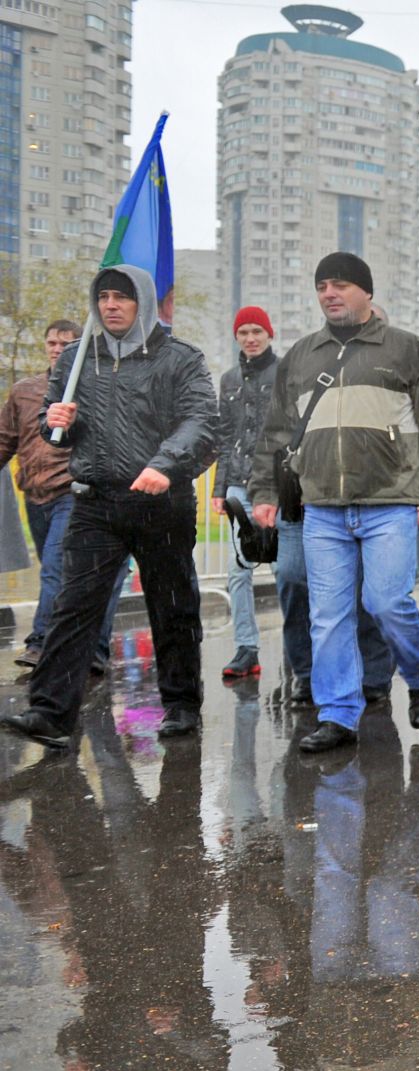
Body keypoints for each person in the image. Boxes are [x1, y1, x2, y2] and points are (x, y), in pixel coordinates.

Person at [249, 252, 419, 754]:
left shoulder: (406, 350)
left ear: (366, 292)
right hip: (322, 506)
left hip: (389, 500)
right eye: (323, 284)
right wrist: (263, 492)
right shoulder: (302, 356)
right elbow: (275, 434)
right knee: (327, 615)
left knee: (386, 602)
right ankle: (338, 714)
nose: (330, 293)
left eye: (342, 284)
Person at [2, 265, 217, 749]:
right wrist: (55, 421)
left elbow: (203, 420)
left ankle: (181, 705)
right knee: (72, 607)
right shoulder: (78, 358)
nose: (111, 305)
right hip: (95, 501)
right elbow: (55, 426)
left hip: (160, 500)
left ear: (141, 301)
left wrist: (165, 464)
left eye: (122, 297)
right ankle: (51, 713)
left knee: (172, 606)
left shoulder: (178, 358)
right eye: (103, 297)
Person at [0, 319, 122, 675]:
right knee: (68, 575)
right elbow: (6, 439)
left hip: (73, 492)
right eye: (51, 342)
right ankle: (90, 648)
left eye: (65, 343)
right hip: (35, 497)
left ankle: (41, 643)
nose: (56, 348)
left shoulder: (92, 388)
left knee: (57, 570)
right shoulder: (24, 390)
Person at [212, 306, 278, 683]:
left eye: (257, 331)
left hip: (280, 487)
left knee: (287, 570)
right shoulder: (230, 379)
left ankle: (298, 647)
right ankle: (246, 646)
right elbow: (226, 437)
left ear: (269, 334)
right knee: (238, 570)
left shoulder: (284, 372)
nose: (250, 338)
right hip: (239, 484)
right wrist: (221, 488)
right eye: (243, 333)